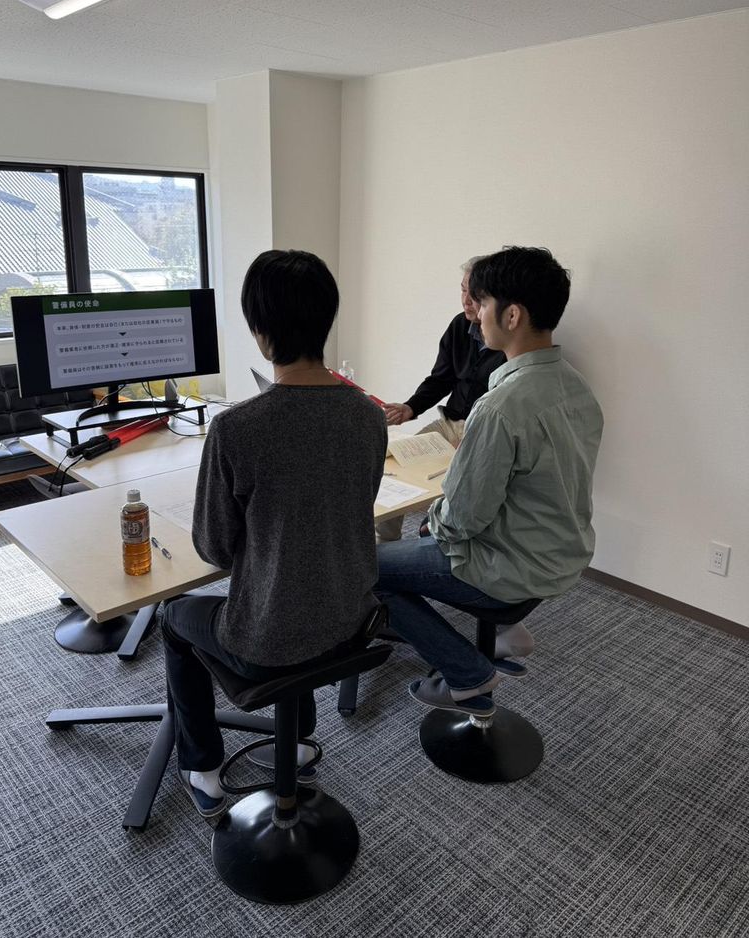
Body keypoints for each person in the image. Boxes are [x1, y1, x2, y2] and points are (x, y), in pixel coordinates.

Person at [163, 250, 387, 818]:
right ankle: (298, 738)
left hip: (268, 644)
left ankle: (203, 767)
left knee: (173, 616)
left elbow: (214, 549)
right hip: (352, 623)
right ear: (327, 319)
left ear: (261, 333)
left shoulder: (236, 429)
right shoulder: (368, 415)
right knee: (298, 587)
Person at [375, 246, 603, 718]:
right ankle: (502, 638)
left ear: (512, 315)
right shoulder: (576, 387)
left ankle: (466, 673)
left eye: (481, 303)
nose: (475, 314)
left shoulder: (500, 406)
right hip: (560, 556)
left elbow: (461, 519)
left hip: (508, 568)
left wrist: (434, 522)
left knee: (360, 567)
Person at [377, 258, 506, 541]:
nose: (466, 301)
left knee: (446, 488)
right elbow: (441, 379)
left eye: (475, 295)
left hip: (480, 432)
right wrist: (410, 407)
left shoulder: (507, 340)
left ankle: (433, 536)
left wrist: (473, 439)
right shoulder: (459, 326)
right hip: (448, 424)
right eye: (463, 290)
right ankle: (385, 542)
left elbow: (502, 407)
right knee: (392, 466)